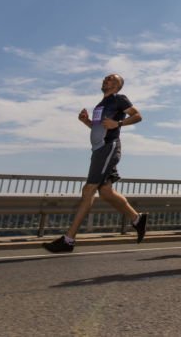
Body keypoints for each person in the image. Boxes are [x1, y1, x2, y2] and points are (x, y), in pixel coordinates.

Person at [43, 74, 148, 253]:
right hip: (98, 150)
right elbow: (99, 127)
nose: (106, 80)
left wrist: (119, 123)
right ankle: (137, 219)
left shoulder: (119, 99)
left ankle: (68, 240)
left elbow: (138, 116)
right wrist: (87, 122)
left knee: (89, 189)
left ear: (117, 85)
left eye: (111, 79)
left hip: (109, 148)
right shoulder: (100, 105)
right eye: (106, 78)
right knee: (106, 192)